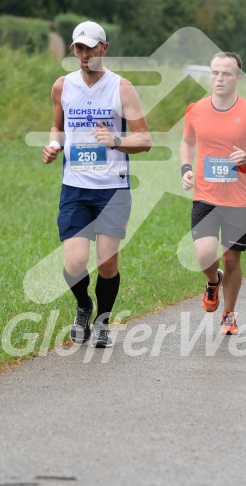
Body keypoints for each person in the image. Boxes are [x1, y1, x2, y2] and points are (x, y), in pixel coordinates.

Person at [42, 21, 151, 347]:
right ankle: (83, 306)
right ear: (74, 50)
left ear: (104, 48)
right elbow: (56, 127)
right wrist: (54, 145)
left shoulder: (122, 88)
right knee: (74, 262)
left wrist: (116, 140)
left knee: (107, 263)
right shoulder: (62, 86)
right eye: (79, 48)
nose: (85, 54)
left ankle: (103, 320)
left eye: (91, 47)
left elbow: (145, 139)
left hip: (112, 189)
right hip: (75, 186)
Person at [180, 52, 246, 334]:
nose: (219, 78)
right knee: (205, 255)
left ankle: (229, 313)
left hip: (238, 200)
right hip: (205, 195)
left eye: (226, 73)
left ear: (238, 78)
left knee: (232, 259)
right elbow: (187, 142)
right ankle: (212, 281)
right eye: (215, 73)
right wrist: (185, 168)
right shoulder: (195, 109)